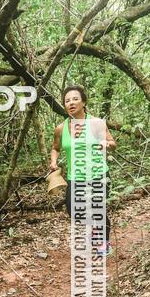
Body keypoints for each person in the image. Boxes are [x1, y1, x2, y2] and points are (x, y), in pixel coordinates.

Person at [49, 85, 116, 254]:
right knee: (73, 211)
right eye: (67, 100)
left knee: (97, 208)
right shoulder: (61, 128)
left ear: (84, 102)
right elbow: (55, 148)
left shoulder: (96, 123)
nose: (71, 102)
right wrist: (53, 161)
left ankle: (104, 242)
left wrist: (106, 144)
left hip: (98, 174)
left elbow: (113, 143)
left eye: (75, 99)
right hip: (75, 177)